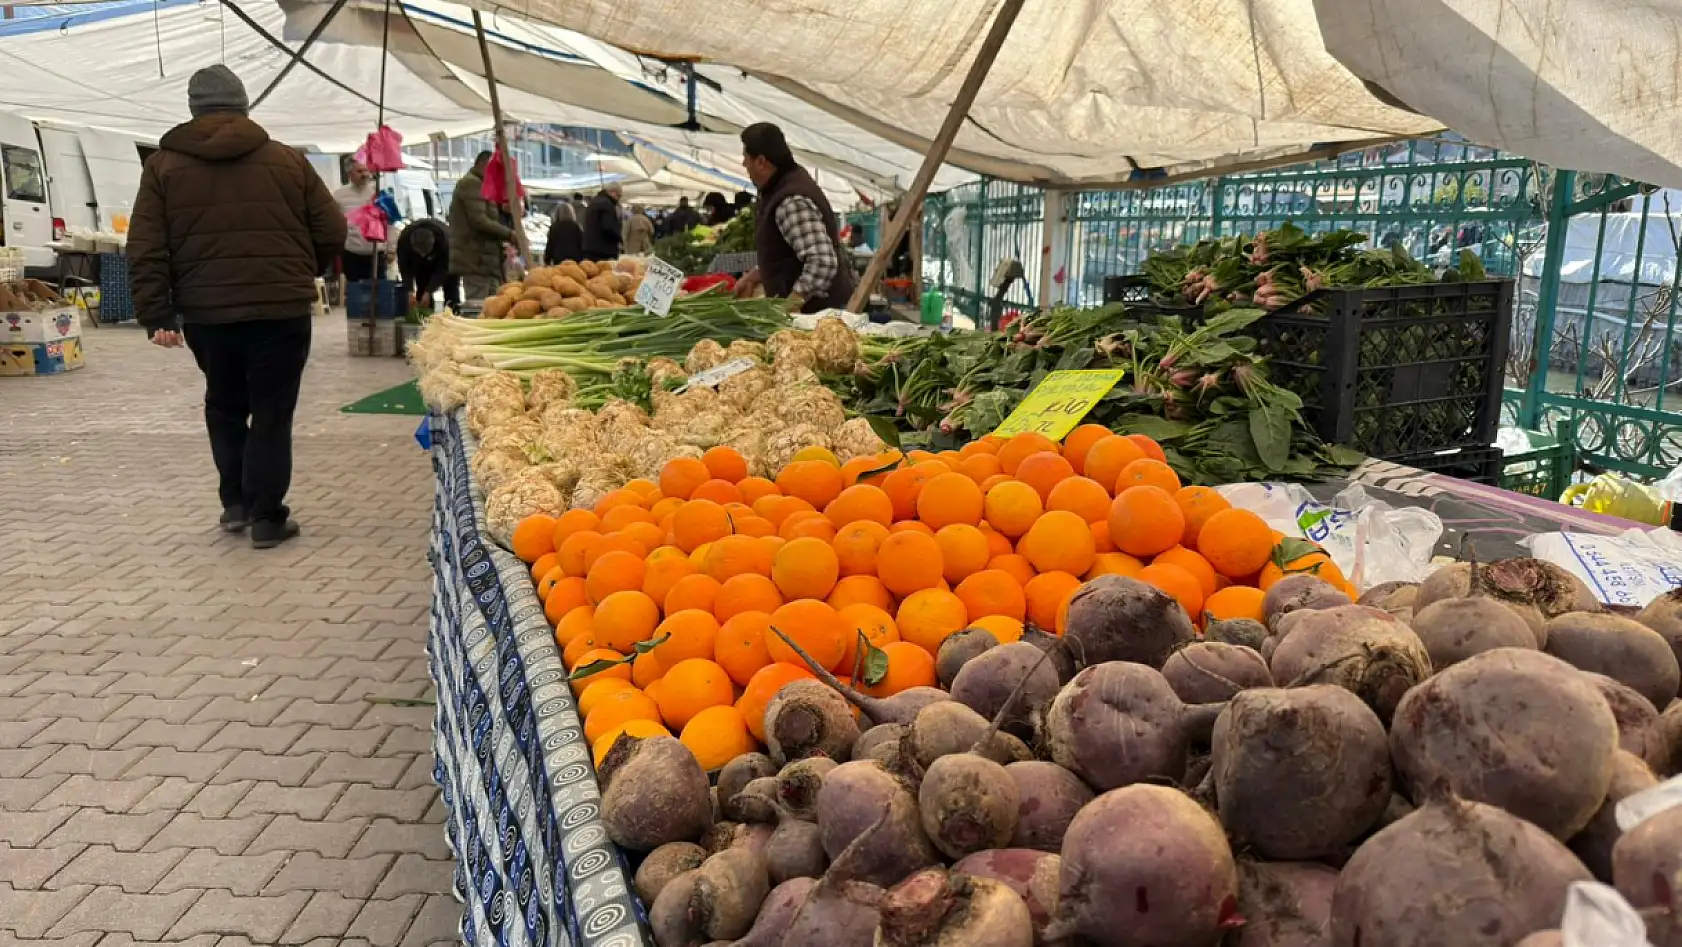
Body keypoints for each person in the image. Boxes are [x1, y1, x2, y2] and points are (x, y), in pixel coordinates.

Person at [127, 65, 344, 548]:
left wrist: (156, 314)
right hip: (281, 309)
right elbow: (332, 229)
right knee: (272, 410)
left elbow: (145, 246)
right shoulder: (287, 160)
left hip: (208, 313)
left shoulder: (162, 167)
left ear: (192, 109)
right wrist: (298, 268)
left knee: (224, 405)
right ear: (245, 105)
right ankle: (268, 518)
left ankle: (236, 504)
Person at [734, 122, 856, 313]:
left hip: (818, 315)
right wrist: (756, 275)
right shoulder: (783, 185)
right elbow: (786, 255)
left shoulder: (790, 201)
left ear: (761, 162)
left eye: (746, 158)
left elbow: (822, 261)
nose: (744, 164)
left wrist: (793, 302)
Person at [447, 150, 513, 301]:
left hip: (485, 261)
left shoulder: (483, 185)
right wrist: (509, 234)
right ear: (485, 165)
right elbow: (479, 220)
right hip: (475, 259)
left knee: (492, 305)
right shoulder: (472, 184)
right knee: (478, 304)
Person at [396, 217, 458, 312]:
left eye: (425, 252)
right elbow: (404, 267)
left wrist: (429, 291)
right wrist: (409, 290)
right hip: (419, 264)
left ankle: (453, 312)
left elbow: (443, 269)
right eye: (420, 252)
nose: (423, 255)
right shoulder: (404, 241)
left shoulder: (445, 241)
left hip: (446, 258)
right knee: (421, 286)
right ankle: (425, 314)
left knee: (451, 285)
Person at [333, 160, 378, 283]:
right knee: (354, 289)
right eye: (359, 171)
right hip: (351, 252)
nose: (364, 174)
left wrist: (391, 248)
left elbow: (388, 221)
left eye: (366, 170)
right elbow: (335, 223)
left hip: (376, 253)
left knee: (377, 289)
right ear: (349, 174)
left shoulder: (378, 192)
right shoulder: (339, 195)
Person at [582, 183, 624, 261]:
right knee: (605, 269)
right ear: (613, 193)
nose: (619, 199)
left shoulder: (593, 202)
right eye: (619, 196)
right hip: (604, 250)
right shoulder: (607, 204)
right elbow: (609, 227)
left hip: (589, 248)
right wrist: (619, 238)